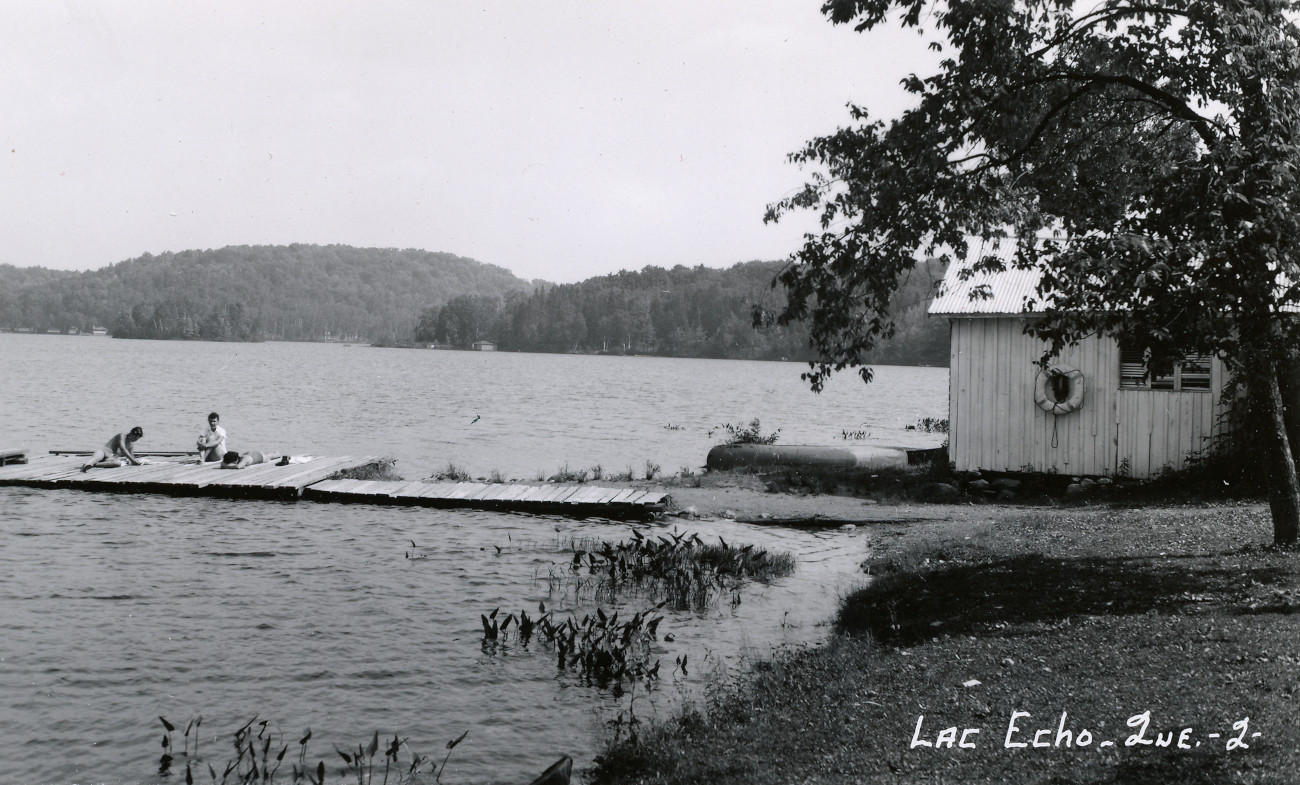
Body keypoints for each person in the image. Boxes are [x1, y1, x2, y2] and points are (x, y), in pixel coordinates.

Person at [219, 450, 288, 469]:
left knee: (271, 456)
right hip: (251, 453)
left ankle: (277, 453)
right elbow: (222, 463)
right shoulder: (237, 458)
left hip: (260, 456)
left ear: (235, 460)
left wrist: (226, 466)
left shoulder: (245, 459)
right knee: (268, 454)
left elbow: (238, 466)